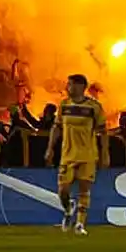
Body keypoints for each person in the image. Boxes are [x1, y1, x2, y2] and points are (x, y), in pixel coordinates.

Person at [44, 74, 107, 236]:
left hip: (87, 154)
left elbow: (103, 132)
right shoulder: (64, 105)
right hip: (67, 155)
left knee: (84, 189)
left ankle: (80, 223)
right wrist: (50, 149)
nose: (67, 87)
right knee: (62, 190)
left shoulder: (94, 107)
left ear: (81, 87)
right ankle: (68, 209)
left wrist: (105, 153)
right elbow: (56, 128)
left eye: (70, 84)